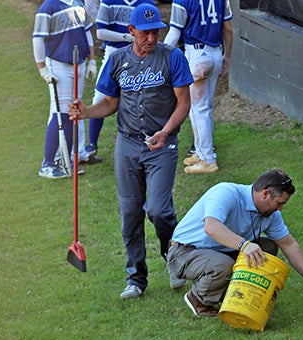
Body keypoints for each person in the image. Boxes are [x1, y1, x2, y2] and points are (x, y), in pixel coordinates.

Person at [68, 3, 194, 299]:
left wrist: (165, 131)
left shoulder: (173, 57)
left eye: (156, 33)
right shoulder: (117, 60)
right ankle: (135, 279)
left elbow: (183, 102)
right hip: (127, 144)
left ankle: (172, 259)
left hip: (161, 145)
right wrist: (86, 112)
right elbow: (110, 103)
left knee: (159, 210)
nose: (151, 39)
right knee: (129, 214)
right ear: (131, 31)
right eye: (145, 34)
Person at [167, 168, 303, 316]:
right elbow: (211, 227)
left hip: (221, 251)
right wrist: (244, 244)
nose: (280, 209)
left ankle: (233, 294)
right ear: (265, 194)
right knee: (223, 265)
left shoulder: (271, 215)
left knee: (267, 248)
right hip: (183, 252)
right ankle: (197, 299)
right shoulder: (226, 192)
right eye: (279, 203)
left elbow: (288, 244)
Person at [163, 0, 233, 174]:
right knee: (205, 108)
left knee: (198, 109)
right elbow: (228, 28)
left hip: (196, 56)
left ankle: (207, 159)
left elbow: (174, 33)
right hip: (216, 53)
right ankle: (201, 151)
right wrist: (228, 57)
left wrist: (161, 57)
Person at [33, 0, 98, 178]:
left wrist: (92, 59)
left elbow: (87, 32)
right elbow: (38, 38)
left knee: (73, 111)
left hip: (80, 63)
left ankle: (66, 159)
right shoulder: (48, 7)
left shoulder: (77, 3)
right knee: (61, 112)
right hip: (59, 64)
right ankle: (47, 164)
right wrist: (42, 68)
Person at [85, 0, 155, 161]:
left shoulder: (146, 2)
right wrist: (128, 37)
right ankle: (92, 144)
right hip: (114, 52)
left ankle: (147, 139)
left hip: (141, 54)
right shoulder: (109, 1)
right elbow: (101, 32)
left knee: (142, 97)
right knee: (99, 98)